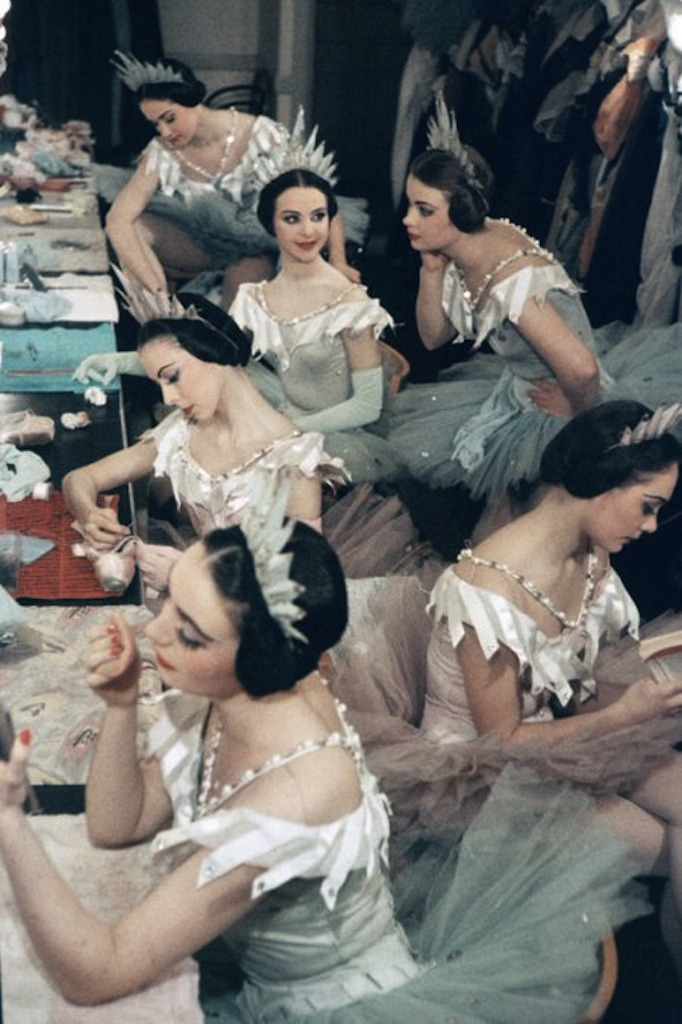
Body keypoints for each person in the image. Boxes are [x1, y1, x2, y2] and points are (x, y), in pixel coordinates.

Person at [0, 499, 648, 1021]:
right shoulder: (230, 695)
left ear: (257, 658)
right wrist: (119, 707)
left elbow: (99, 973)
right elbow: (118, 825)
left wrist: (8, 817)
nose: (153, 633)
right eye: (169, 602)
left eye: (189, 632)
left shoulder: (295, 801)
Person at [334, 400, 682, 976]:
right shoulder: (486, 590)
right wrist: (624, 719)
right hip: (478, 776)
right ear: (601, 481)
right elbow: (502, 739)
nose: (650, 528)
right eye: (648, 508)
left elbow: (575, 682)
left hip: (564, 735)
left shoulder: (591, 551)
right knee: (673, 849)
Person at [388, 95, 682, 527]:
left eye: (424, 210)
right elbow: (433, 337)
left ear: (461, 209)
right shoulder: (465, 247)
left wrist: (577, 413)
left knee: (536, 523)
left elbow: (581, 370)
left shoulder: (512, 282)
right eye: (411, 206)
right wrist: (431, 271)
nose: (408, 220)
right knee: (506, 519)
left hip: (572, 399)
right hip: (520, 389)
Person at [63, 290, 341, 593]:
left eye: (173, 377)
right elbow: (79, 479)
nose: (168, 398)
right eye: (159, 384)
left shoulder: (295, 463)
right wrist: (89, 515)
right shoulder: (183, 430)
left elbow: (302, 590)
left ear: (215, 354)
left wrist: (190, 575)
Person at [97, 53, 361, 309]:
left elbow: (318, 196)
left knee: (238, 302)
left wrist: (338, 260)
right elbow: (118, 220)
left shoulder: (261, 134)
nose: (165, 132)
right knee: (131, 226)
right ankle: (161, 315)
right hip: (199, 245)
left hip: (254, 246)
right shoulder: (162, 150)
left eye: (169, 118)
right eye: (155, 125)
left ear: (192, 100)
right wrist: (159, 295)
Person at [230, 162, 406, 485]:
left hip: (334, 437)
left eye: (318, 216)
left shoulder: (349, 303)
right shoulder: (256, 298)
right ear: (271, 223)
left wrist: (291, 429)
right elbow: (215, 355)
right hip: (283, 414)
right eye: (292, 219)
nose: (309, 231)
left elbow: (368, 406)